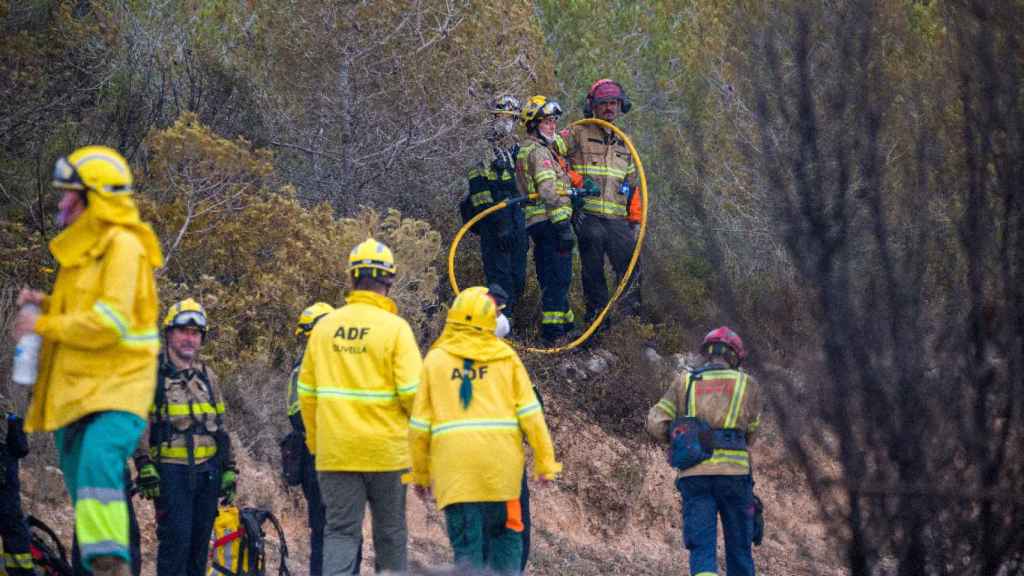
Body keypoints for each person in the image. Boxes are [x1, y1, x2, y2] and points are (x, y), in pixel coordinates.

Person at [13, 146, 162, 576]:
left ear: (94, 197)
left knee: (99, 459)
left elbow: (108, 322)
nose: (61, 203)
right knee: (83, 480)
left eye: (69, 195)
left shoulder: (124, 247)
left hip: (119, 388)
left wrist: (43, 327)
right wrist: (44, 303)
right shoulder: (83, 253)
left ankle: (109, 563)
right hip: (78, 390)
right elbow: (78, 307)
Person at [410, 286, 561, 575]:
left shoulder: (435, 361)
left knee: (468, 553)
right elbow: (531, 415)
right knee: (507, 542)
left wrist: (420, 474)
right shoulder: (505, 359)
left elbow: (419, 426)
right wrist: (545, 463)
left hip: (455, 477)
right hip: (502, 476)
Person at [297, 238, 423, 575]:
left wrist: (315, 443)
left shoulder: (325, 328)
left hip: (336, 452)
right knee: (391, 534)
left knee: (340, 533)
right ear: (390, 280)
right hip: (387, 454)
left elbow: (306, 395)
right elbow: (414, 396)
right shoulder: (396, 330)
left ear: (352, 279)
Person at [132, 298, 239, 576]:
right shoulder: (151, 374)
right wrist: (144, 464)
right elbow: (137, 423)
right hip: (171, 476)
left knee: (199, 548)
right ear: (169, 333)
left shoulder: (208, 376)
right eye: (183, 331)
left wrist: (230, 468)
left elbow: (222, 426)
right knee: (175, 547)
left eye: (195, 333)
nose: (189, 338)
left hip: (208, 475)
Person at [645, 327, 763, 576]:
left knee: (701, 549)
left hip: (695, 475)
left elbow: (655, 422)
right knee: (740, 549)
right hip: (735, 478)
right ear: (734, 355)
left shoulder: (684, 382)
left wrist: (682, 440)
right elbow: (753, 431)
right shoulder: (747, 384)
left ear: (705, 353)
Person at [287, 302, 361, 576]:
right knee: (323, 533)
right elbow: (295, 414)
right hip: (317, 460)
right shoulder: (303, 369)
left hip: (348, 461)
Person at [560, 79, 643, 325]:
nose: (609, 108)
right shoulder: (577, 132)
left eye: (614, 103)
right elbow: (552, 155)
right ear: (593, 107)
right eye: (603, 103)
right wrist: (575, 181)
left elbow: (633, 184)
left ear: (621, 106)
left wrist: (635, 219)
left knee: (631, 267)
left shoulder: (625, 142)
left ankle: (630, 324)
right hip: (588, 215)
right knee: (593, 268)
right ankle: (597, 321)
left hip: (617, 219)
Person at [463, 95, 528, 331]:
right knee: (500, 279)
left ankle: (510, 323)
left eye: (512, 118)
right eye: (503, 117)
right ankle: (500, 329)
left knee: (519, 276)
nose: (507, 122)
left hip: (516, 218)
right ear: (493, 117)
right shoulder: (482, 149)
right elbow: (478, 190)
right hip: (493, 221)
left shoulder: (515, 149)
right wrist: (498, 224)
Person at [515, 95, 576, 344]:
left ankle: (568, 324)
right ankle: (554, 334)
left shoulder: (528, 148)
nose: (553, 126)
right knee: (558, 277)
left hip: (536, 223)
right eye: (547, 122)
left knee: (550, 275)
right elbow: (549, 190)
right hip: (550, 222)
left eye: (554, 121)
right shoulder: (539, 152)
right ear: (533, 125)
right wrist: (562, 223)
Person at [0, 406, 32, 576]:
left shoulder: (10, 449)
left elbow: (21, 448)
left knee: (17, 542)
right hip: (9, 507)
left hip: (9, 507)